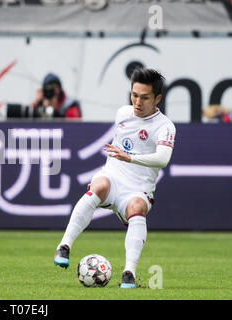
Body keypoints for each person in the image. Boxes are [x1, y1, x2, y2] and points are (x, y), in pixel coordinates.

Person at [54, 68, 176, 289]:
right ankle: (64, 246)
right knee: (99, 184)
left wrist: (129, 158)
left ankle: (129, 272)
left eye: (145, 97)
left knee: (137, 206)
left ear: (158, 98)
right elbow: (116, 151)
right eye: (134, 95)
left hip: (138, 189)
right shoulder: (123, 114)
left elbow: (163, 158)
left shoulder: (165, 126)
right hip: (113, 178)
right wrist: (112, 166)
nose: (137, 102)